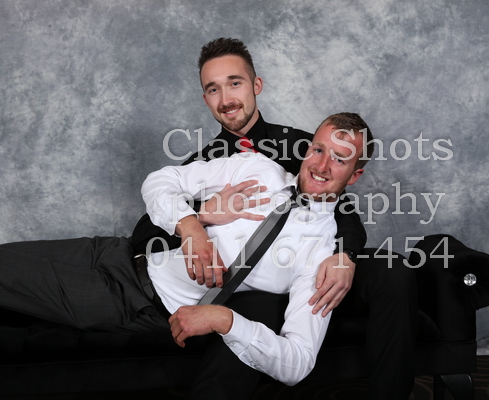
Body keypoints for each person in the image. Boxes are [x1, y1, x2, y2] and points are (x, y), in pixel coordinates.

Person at [130, 38, 417, 399]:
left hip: (310, 263)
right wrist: (200, 218)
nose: (227, 99)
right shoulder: (205, 160)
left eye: (235, 83)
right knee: (257, 307)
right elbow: (146, 232)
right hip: (245, 287)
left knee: (393, 270)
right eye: (214, 89)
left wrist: (344, 255)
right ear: (205, 99)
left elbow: (340, 209)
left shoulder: (304, 146)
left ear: (256, 85)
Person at [0, 113, 370, 389]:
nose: (321, 165)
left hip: (129, 300)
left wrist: (225, 321)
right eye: (318, 149)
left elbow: (298, 362)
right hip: (111, 251)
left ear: (355, 175)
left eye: (339, 159)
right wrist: (191, 226)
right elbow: (161, 180)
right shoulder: (259, 168)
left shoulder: (323, 256)